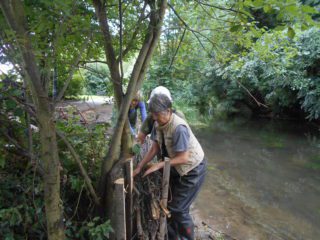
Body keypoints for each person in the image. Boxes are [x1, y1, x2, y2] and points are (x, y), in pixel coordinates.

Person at [133, 93, 207, 240]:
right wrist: (140, 166)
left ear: (168, 110)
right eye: (153, 114)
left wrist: (158, 165)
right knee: (170, 205)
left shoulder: (179, 128)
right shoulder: (157, 124)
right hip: (178, 168)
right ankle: (173, 236)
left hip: (193, 169)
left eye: (157, 114)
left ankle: (187, 238)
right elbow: (154, 148)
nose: (154, 118)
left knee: (179, 209)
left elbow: (184, 157)